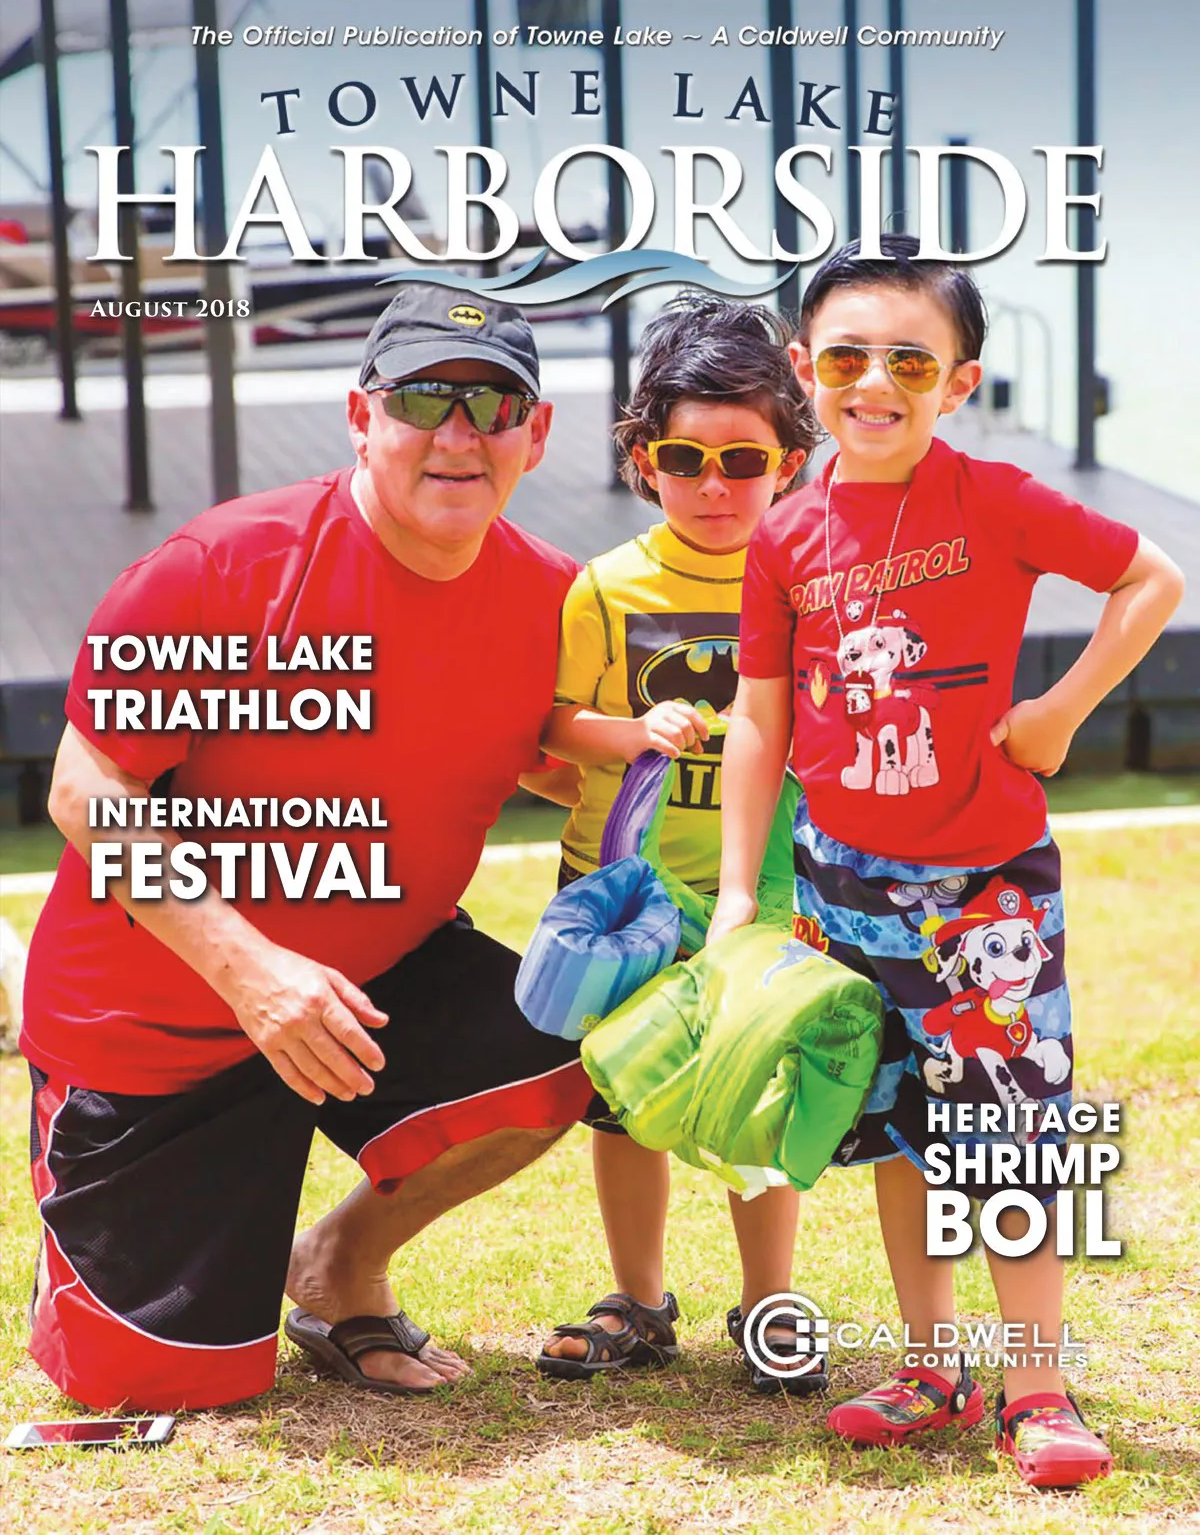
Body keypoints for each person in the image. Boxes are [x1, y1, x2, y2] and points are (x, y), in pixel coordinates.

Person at [20, 285, 599, 1411]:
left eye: (493, 406)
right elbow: (87, 787)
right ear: (359, 416)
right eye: (423, 399)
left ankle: (337, 1265)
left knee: (574, 1044)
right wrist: (253, 972)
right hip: (164, 1024)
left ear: (535, 434)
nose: (459, 434)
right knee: (159, 1386)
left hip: (368, 986)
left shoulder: (559, 600)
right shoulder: (220, 567)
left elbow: (562, 759)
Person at [710, 234, 1184, 1485]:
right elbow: (759, 719)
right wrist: (736, 894)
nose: (876, 382)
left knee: (1009, 1136)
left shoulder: (997, 499)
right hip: (838, 887)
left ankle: (1037, 1388)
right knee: (897, 1128)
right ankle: (933, 1368)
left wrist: (1060, 714)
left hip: (986, 891)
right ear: (804, 369)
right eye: (847, 358)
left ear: (959, 382)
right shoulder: (783, 536)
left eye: (910, 362)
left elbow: (1150, 579)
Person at [535, 294, 825, 1389]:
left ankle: (769, 1301)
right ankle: (639, 1299)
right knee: (624, 1100)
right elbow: (554, 723)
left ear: (789, 464)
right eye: (684, 458)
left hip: (772, 888)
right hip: (627, 893)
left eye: (742, 461)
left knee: (760, 1089)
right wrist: (631, 731)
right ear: (642, 460)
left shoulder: (812, 577)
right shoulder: (606, 586)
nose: (714, 485)